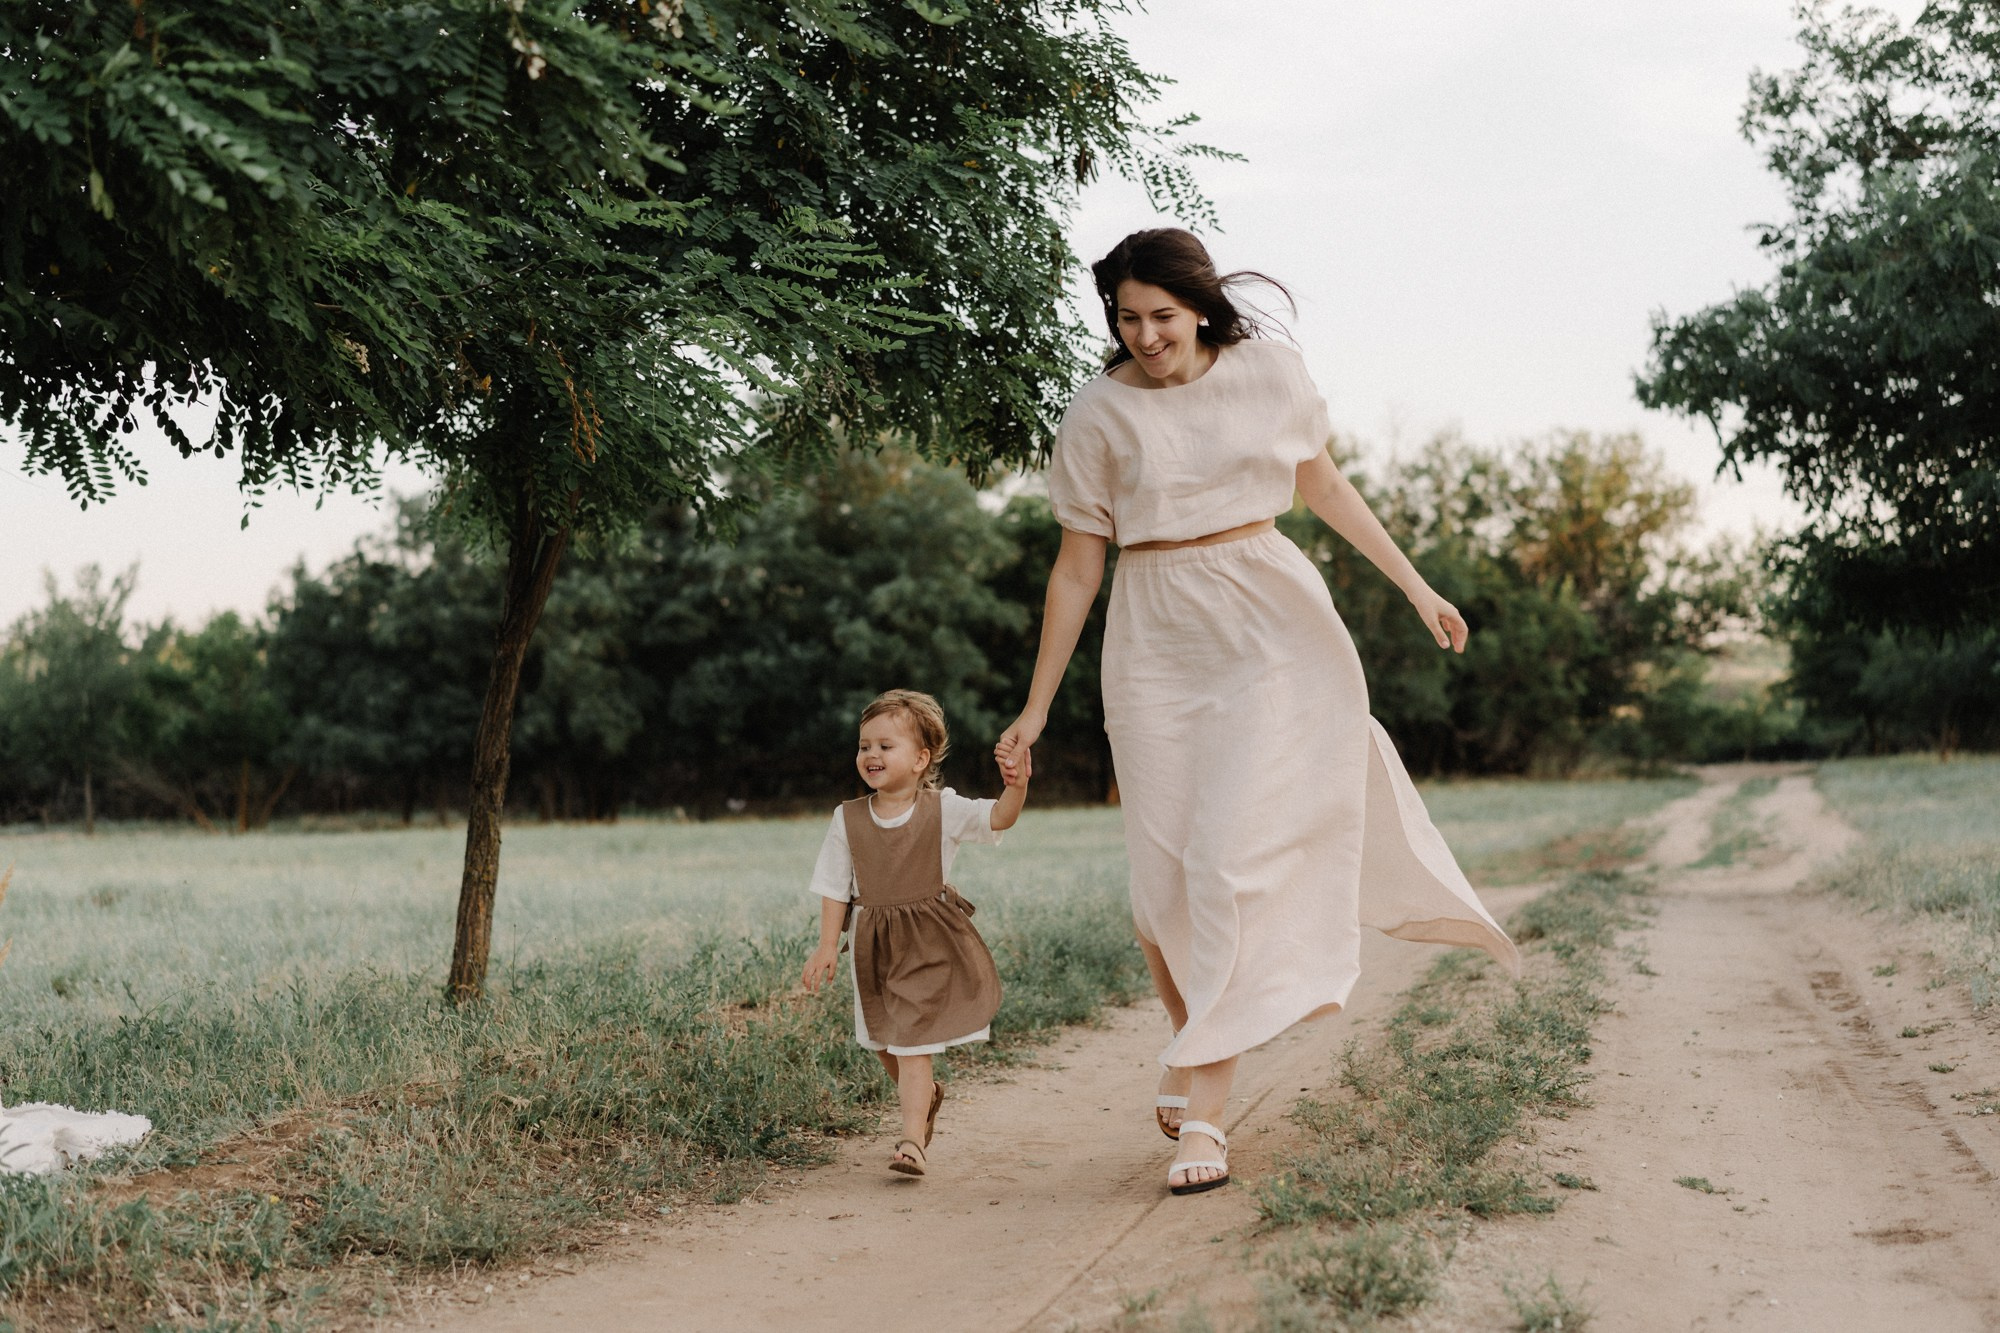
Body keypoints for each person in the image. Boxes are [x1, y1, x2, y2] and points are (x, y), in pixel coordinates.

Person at [995, 228, 1517, 1197]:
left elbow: (1320, 486)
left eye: (1160, 315)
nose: (1146, 335)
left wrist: (1414, 586)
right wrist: (1034, 709)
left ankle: (1204, 1116)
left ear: (1198, 305)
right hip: (1152, 637)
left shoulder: (1268, 373)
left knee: (1224, 861)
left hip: (1266, 622)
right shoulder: (1096, 416)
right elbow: (1076, 567)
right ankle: (1194, 1036)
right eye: (1125, 318)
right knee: (1159, 886)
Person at [802, 689, 1031, 1178]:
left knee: (910, 1043)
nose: (871, 755)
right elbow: (832, 885)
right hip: (872, 943)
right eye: (865, 745)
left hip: (929, 943)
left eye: (886, 746)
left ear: (921, 758)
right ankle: (926, 1096)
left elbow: (998, 817)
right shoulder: (848, 818)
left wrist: (1016, 786)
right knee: (882, 1038)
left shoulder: (942, 809)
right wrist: (826, 946)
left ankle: (911, 1141)